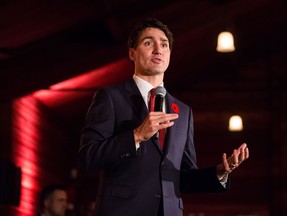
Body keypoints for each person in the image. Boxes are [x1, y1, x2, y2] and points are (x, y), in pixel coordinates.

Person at [78, 17, 249, 216]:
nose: (158, 49)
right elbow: (87, 158)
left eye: (164, 44)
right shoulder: (111, 97)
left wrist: (220, 172)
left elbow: (184, 177)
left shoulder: (183, 111)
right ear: (132, 53)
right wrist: (136, 135)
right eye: (148, 43)